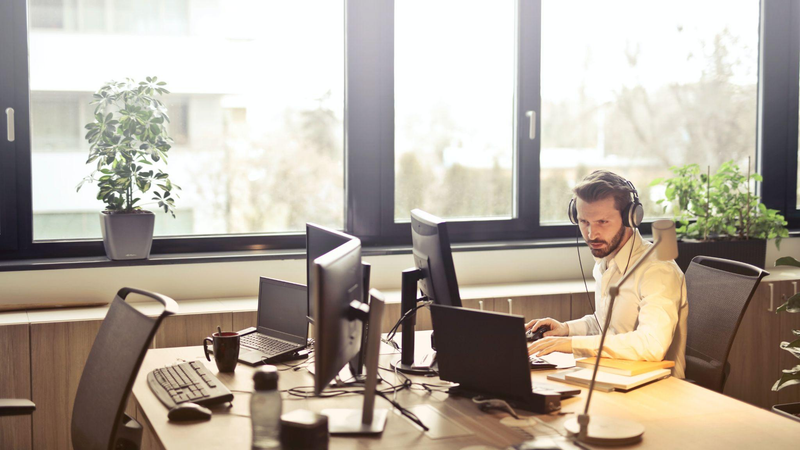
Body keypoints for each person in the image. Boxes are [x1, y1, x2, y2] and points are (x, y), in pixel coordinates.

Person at [527, 170, 688, 378]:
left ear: (630, 218)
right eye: (584, 222)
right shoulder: (606, 261)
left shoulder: (658, 270)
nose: (591, 234)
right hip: (614, 375)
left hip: (657, 388)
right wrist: (566, 329)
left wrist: (572, 344)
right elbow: (606, 326)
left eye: (602, 222)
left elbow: (651, 345)